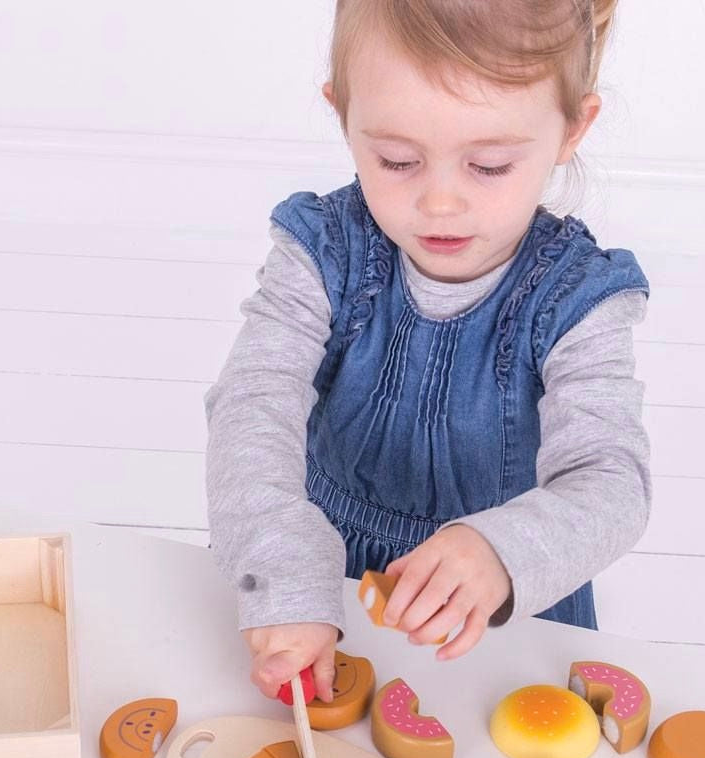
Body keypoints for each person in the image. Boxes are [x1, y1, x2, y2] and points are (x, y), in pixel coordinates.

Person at [204, 0, 649, 703]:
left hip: (498, 614)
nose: (440, 202)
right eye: (398, 160)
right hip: (315, 580)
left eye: (490, 165)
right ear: (343, 115)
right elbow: (252, 406)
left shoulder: (579, 298)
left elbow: (611, 482)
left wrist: (503, 553)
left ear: (572, 128)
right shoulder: (322, 251)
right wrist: (279, 563)